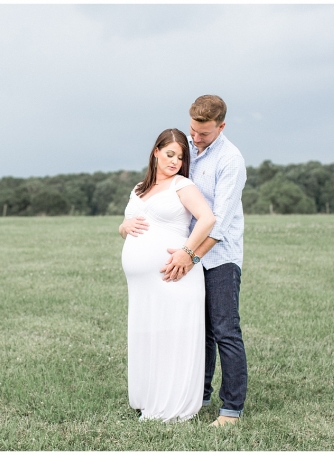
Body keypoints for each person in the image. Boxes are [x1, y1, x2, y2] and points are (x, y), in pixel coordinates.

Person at [161, 95, 248, 427]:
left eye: (204, 134)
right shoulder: (189, 153)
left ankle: (231, 409)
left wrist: (191, 255)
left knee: (225, 329)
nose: (196, 139)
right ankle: (200, 394)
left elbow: (220, 224)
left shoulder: (231, 160)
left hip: (220, 257)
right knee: (200, 331)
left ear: (221, 127)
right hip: (190, 254)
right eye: (193, 131)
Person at [119, 128, 216, 423]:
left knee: (172, 337)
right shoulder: (139, 188)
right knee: (147, 336)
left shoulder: (182, 185)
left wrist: (187, 250)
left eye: (180, 157)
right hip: (141, 285)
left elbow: (208, 219)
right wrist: (123, 227)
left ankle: (172, 404)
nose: (174, 161)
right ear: (156, 152)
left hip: (172, 277)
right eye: (170, 154)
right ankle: (149, 397)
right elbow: (127, 223)